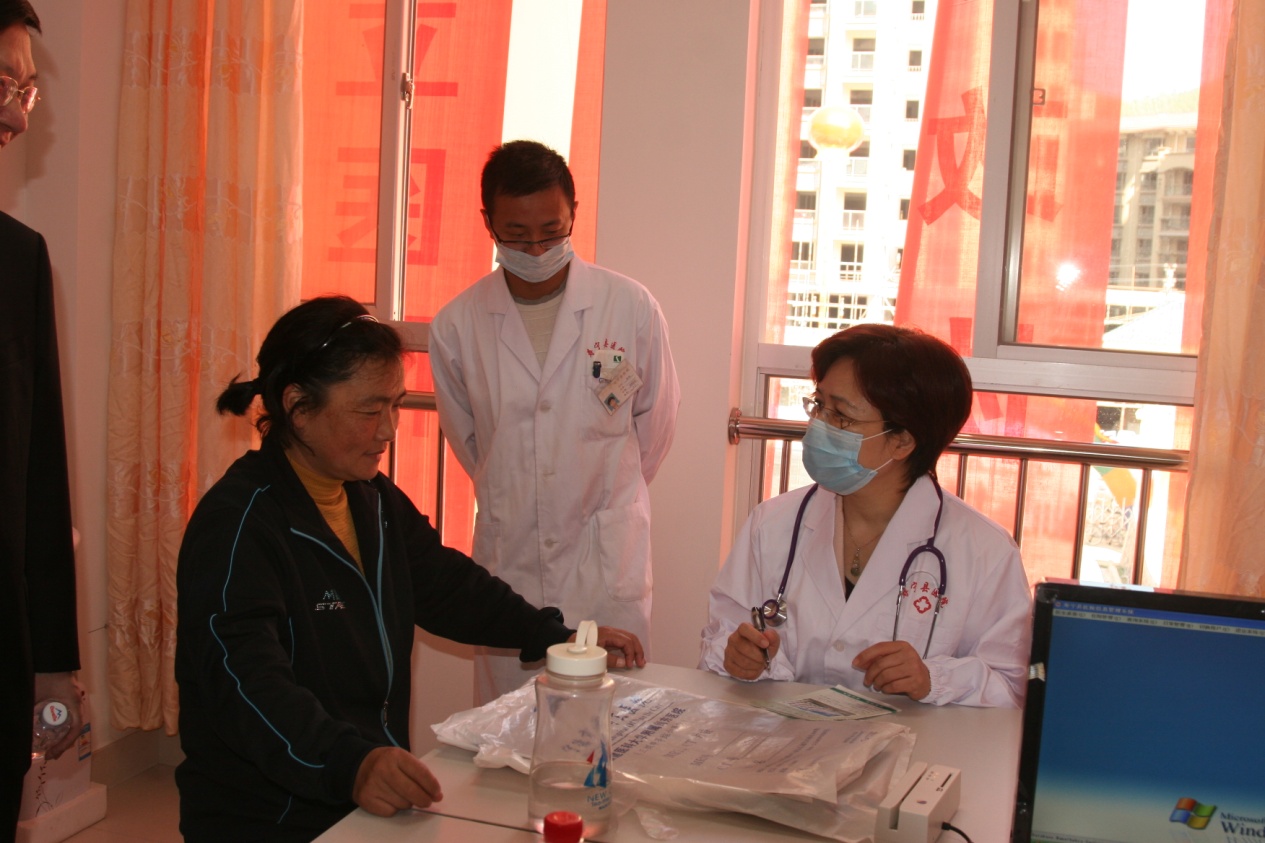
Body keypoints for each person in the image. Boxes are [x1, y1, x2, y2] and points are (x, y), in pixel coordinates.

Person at [175, 296, 645, 842]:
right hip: (274, 815)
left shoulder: (370, 498)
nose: (389, 429)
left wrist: (557, 635)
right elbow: (246, 684)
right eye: (369, 411)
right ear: (298, 407)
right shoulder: (238, 527)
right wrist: (349, 763)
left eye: (395, 405)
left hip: (359, 796)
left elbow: (448, 586)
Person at [430, 140, 679, 703]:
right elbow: (470, 441)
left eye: (551, 230)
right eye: (517, 236)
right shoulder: (458, 324)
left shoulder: (628, 306)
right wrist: (520, 487)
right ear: (489, 223)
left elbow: (656, 421)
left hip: (603, 560)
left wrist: (604, 493)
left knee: (612, 722)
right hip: (512, 558)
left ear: (573, 214)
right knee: (508, 727)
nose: (537, 248)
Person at [699, 324, 1031, 708]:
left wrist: (934, 679)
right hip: (784, 740)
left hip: (917, 745)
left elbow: (1012, 688)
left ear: (902, 441)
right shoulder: (773, 524)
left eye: (841, 415)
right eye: (819, 404)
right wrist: (739, 656)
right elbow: (722, 635)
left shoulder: (985, 552)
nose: (818, 426)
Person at [1, 2, 82, 838]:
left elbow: (39, 472)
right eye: (3, 85)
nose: (19, 117)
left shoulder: (19, 259)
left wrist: (52, 660)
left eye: (26, 91)